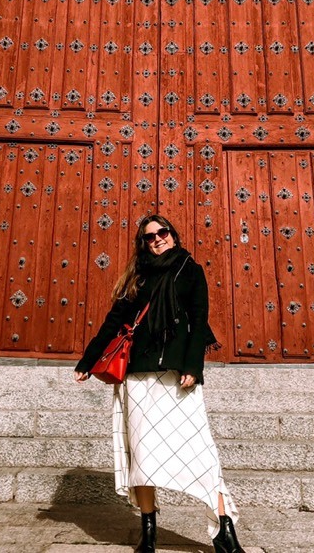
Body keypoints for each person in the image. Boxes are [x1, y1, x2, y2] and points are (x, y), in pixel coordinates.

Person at [74, 215, 245, 553]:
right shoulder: (138, 275)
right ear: (144, 243)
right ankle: (148, 530)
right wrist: (88, 360)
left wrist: (194, 366)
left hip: (176, 373)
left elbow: (199, 319)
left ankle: (224, 531)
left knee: (202, 453)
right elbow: (115, 321)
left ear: (173, 235)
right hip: (138, 373)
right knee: (143, 455)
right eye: (149, 236)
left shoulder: (189, 270)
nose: (156, 240)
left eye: (162, 232)